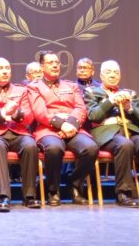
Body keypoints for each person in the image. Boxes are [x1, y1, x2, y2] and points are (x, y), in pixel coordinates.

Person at [85, 60, 139, 208]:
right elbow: (93, 116)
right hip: (107, 133)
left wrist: (129, 107)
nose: (113, 75)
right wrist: (110, 101)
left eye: (116, 72)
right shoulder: (92, 92)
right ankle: (123, 193)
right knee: (124, 145)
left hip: (131, 131)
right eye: (108, 72)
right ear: (101, 75)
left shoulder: (130, 94)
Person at [29, 51, 98, 206]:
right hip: (48, 129)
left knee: (91, 148)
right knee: (54, 149)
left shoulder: (71, 86)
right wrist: (62, 124)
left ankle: (74, 184)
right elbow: (40, 112)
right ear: (42, 66)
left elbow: (80, 107)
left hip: (73, 128)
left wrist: (72, 124)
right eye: (50, 62)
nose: (55, 65)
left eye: (57, 62)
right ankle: (53, 190)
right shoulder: (34, 87)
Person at [0, 57, 40, 212]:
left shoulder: (21, 90)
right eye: (0, 68)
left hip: (18, 130)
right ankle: (3, 197)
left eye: (7, 68)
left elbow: (29, 116)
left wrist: (15, 114)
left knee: (30, 145)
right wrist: (2, 113)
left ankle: (30, 195)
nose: (5, 71)